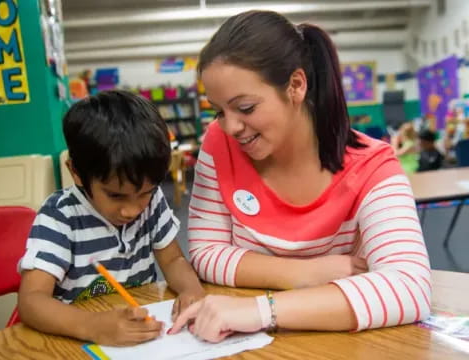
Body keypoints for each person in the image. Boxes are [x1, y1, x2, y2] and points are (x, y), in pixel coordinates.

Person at [169, 10, 430, 343]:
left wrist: (262, 310)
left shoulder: (372, 166)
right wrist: (307, 273)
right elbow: (206, 254)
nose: (230, 127)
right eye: (220, 111)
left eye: (246, 108)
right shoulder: (219, 145)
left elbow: (409, 286)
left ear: (295, 85)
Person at [18, 90, 205, 346]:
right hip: (77, 340)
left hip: (142, 329)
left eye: (145, 193)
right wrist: (91, 326)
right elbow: (31, 301)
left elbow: (172, 258)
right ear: (77, 173)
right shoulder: (60, 215)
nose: (132, 210)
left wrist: (190, 289)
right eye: (116, 196)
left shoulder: (153, 202)